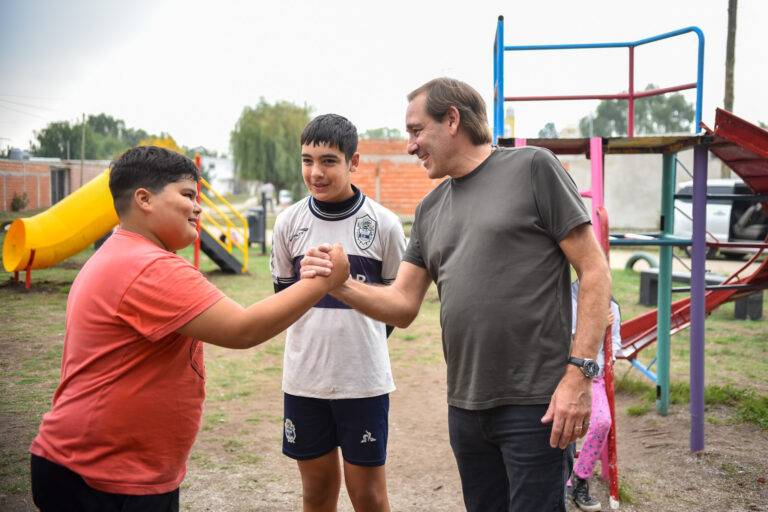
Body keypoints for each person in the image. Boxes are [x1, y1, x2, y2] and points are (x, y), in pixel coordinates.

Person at [300, 77, 612, 511]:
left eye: (415, 131)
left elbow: (594, 269)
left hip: (536, 402)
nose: (410, 146)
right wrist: (343, 284)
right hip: (466, 405)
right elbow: (403, 306)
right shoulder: (430, 209)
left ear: (452, 120)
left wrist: (580, 375)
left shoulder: (532, 168)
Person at [29, 146, 349, 512]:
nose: (198, 207)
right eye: (187, 195)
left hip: (96, 467)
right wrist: (323, 282)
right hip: (105, 476)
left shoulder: (119, 254)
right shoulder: (148, 267)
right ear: (144, 199)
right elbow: (243, 329)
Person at [270, 113, 406, 512]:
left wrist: (358, 341)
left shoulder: (384, 224)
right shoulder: (288, 223)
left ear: (354, 162)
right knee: (316, 493)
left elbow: (394, 310)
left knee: (368, 496)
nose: (316, 172)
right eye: (307, 160)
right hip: (303, 381)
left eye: (329, 160)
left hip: (362, 382)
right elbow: (283, 307)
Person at [568, 281, 622, 512]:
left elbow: (616, 342)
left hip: (595, 377)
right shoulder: (567, 299)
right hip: (564, 374)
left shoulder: (611, 305)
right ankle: (553, 482)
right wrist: (598, 325)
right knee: (554, 423)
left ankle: (578, 479)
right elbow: (569, 342)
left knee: (601, 422)